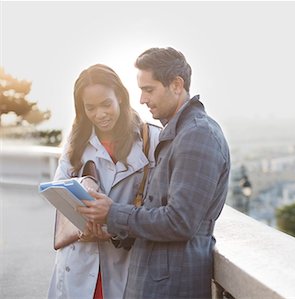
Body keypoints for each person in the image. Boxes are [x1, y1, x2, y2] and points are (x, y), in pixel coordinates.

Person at [78, 47, 231, 299]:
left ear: (176, 84)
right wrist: (112, 226)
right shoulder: (177, 133)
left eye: (149, 90)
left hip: (171, 287)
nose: (142, 100)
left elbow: (180, 222)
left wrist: (113, 212)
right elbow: (156, 211)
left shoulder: (197, 135)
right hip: (153, 282)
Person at [47, 64, 160, 299]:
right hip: (79, 258)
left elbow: (159, 206)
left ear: (120, 96)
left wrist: (114, 229)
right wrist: (84, 227)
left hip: (125, 260)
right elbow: (59, 193)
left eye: (106, 104)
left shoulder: (151, 140)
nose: (100, 114)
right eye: (91, 108)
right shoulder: (76, 142)